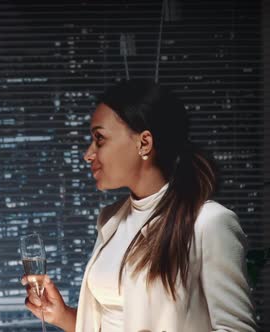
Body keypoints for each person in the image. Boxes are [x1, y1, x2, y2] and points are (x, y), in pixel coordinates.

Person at [22, 79, 257, 332]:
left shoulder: (208, 223)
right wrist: (63, 315)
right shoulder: (110, 221)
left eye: (99, 139)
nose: (88, 154)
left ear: (144, 143)